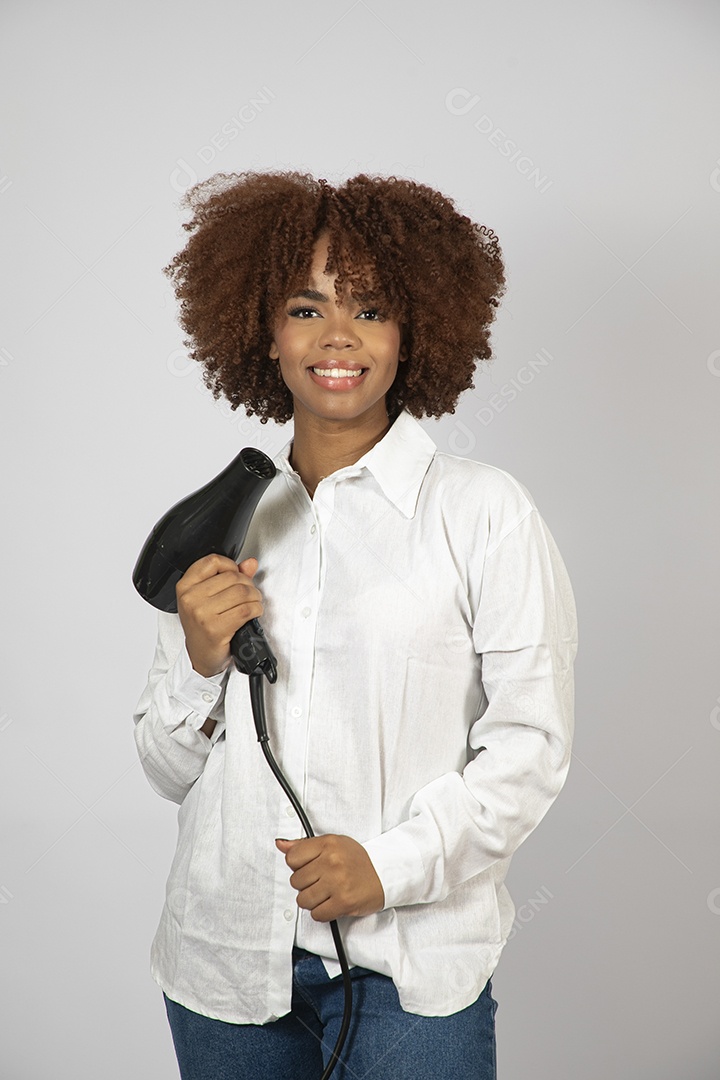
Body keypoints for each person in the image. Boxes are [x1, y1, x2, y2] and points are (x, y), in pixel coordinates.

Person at [133, 171, 578, 1080]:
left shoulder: (485, 514)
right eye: (306, 308)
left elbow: (532, 746)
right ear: (263, 330)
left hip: (411, 972)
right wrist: (198, 660)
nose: (338, 335)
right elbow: (166, 768)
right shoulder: (229, 521)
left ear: (413, 332)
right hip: (225, 971)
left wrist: (391, 866)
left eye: (370, 308)